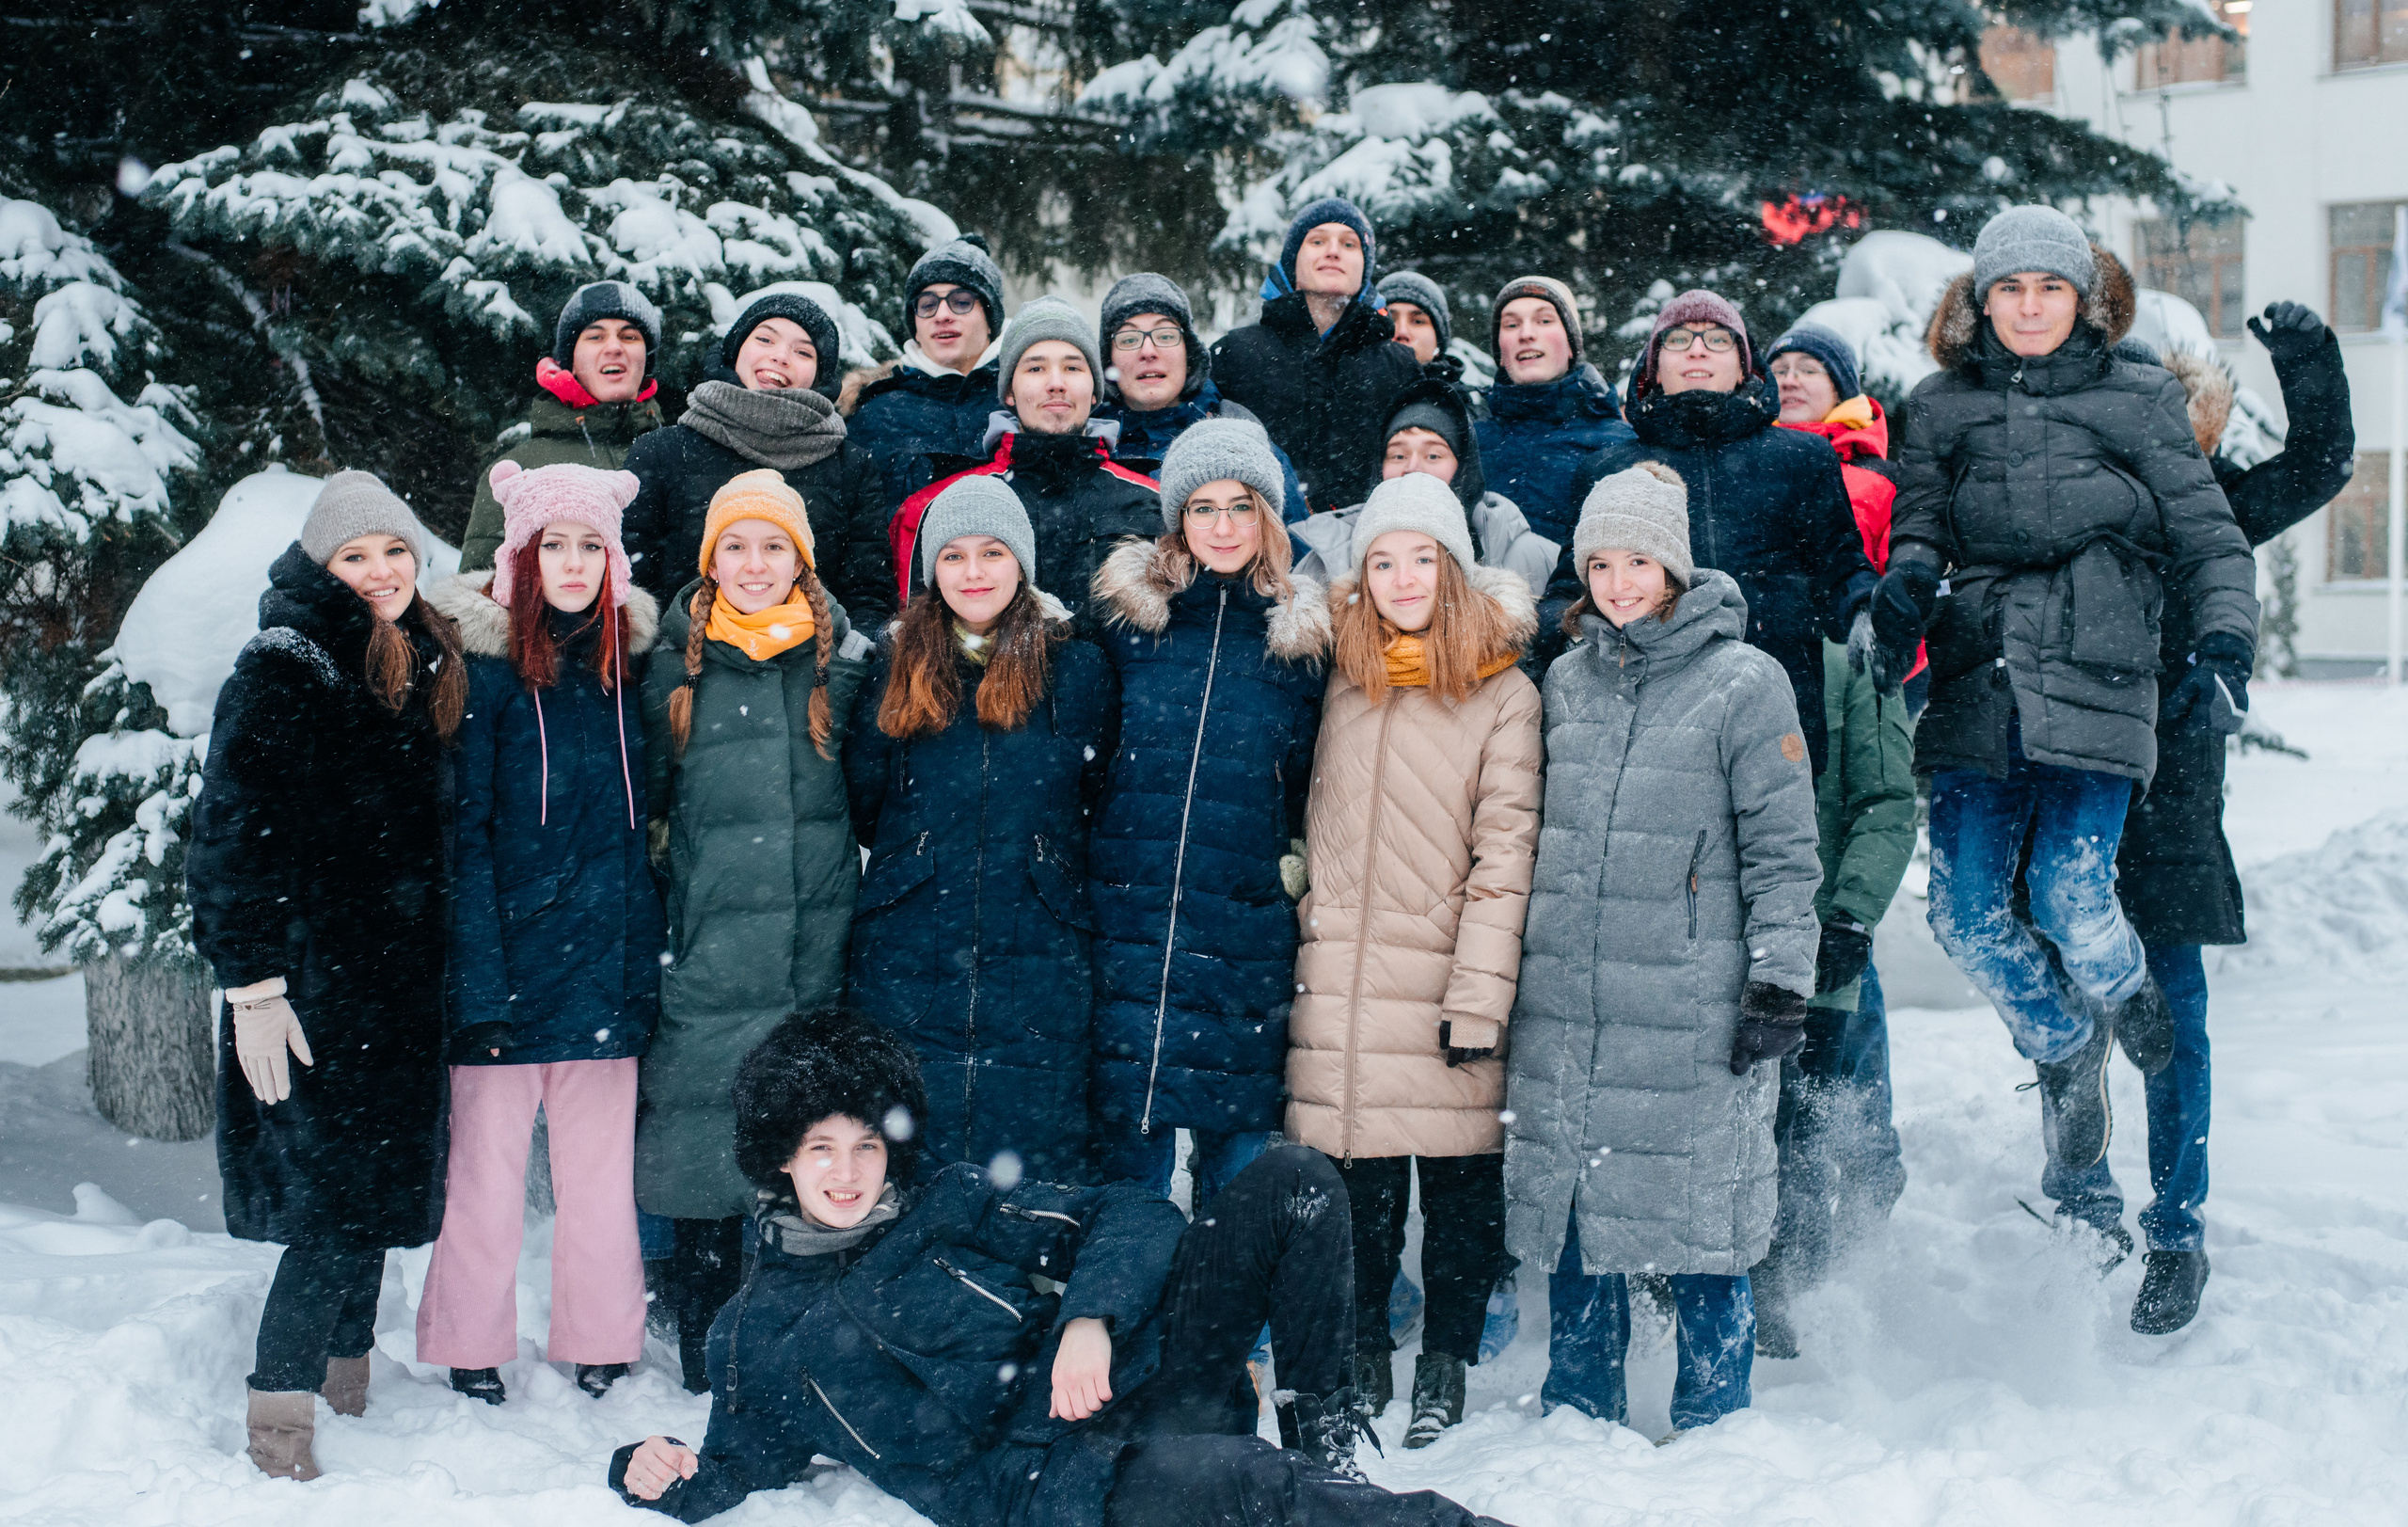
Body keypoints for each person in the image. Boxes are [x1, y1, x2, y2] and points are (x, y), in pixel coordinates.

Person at [610, 1007, 1517, 1527]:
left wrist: (1091, 1316)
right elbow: (731, 1465)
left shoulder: (948, 1199)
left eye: (863, 1145)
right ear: (780, 1158)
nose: (846, 1173)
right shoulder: (757, 1332)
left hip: (1145, 1375)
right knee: (1251, 1483)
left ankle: (1329, 1451)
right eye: (819, 1149)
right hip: (1055, 1488)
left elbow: (1128, 1211)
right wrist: (644, 1466)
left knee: (1297, 1178)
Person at [1862, 205, 2260, 1265]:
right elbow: (1920, 522)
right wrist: (1905, 582)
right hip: (1978, 680)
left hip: (2097, 672)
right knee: (1960, 916)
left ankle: (2126, 999)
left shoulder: (2137, 398)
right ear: (1980, 302)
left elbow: (2210, 534)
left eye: (2050, 288)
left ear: (2084, 300)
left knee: (2073, 895)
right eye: (2010, 289)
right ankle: (2064, 1047)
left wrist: (2223, 644)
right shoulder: (1940, 405)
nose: (2030, 307)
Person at [1504, 462, 1822, 1440]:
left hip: (1694, 1006)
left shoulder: (1743, 683)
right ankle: (1577, 1414)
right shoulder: (1565, 680)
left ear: (1674, 567)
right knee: (1578, 1209)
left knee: (1703, 1215)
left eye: (1637, 560)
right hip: (1572, 1001)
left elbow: (1783, 849)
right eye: (1600, 563)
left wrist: (1778, 980)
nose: (1617, 582)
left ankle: (1716, 1419)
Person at [186, 470, 467, 1479]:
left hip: (398, 984)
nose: (380, 570)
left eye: (394, 550)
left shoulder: (422, 650)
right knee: (331, 1210)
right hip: (313, 987)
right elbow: (228, 840)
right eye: (355, 556)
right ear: (321, 565)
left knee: (374, 1195)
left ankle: (346, 1380)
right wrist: (254, 985)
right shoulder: (283, 665)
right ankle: (279, 1420)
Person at [2106, 304, 2354, 1333]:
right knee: (2065, 1028)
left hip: (2168, 799)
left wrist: (2303, 359)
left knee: (2176, 1023)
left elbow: (2324, 462)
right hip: (2056, 778)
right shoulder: (2045, 503)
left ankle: (2175, 1230)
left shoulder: (2213, 503)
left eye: (2162, 400)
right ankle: (2076, 1186)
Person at [1288, 471, 1541, 1445]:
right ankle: (1360, 1352)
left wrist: (1479, 992)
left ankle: (1446, 1360)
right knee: (1361, 1193)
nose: (1400, 579)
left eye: (1420, 560)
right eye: (1382, 561)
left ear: (1454, 571)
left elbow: (1505, 853)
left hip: (1442, 976)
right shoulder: (1341, 680)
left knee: (1461, 1191)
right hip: (1345, 979)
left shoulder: (1502, 692)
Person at [420, 462, 663, 1404]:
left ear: (614, 558)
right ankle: (468, 1342)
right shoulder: (480, 672)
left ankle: (601, 1338)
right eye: (552, 544)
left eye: (589, 545)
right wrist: (476, 984)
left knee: (600, 1184)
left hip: (604, 968)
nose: (572, 562)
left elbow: (637, 836)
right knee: (483, 1178)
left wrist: (639, 967)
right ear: (517, 555)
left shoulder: (624, 668)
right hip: (508, 973)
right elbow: (465, 836)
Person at [638, 469, 877, 1391]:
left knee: (801, 1151)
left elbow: (869, 792)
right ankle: (702, 1340)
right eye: (733, 546)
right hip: (706, 950)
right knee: (701, 1145)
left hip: (812, 949)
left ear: (801, 561)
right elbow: (645, 801)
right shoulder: (675, 662)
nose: (753, 563)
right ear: (708, 563)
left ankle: (785, 1348)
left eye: (773, 546)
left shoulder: (843, 663)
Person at [848, 476, 1117, 1185]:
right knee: (910, 1154)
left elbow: (1096, 794)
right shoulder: (894, 664)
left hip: (1039, 947)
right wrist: (921, 861)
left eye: (992, 553)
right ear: (931, 569)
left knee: (1032, 1151)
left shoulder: (1077, 667)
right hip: (911, 948)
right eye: (955, 555)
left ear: (1021, 563)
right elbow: (866, 799)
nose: (973, 572)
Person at [1086, 420, 1330, 1201]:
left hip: (1241, 930)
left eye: (1242, 506)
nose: (1222, 527)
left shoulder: (1301, 643)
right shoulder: (1131, 626)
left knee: (1239, 1171)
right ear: (1176, 519)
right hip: (1130, 917)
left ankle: (1229, 1323)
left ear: (1269, 516)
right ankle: (1134, 1317)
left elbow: (1310, 780)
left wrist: (1287, 870)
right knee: (1129, 1165)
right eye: (1202, 507)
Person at [1739, 331, 1922, 1350]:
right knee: (1772, 1088)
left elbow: (1886, 802)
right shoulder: (1757, 472)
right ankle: (1765, 1274)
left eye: (1816, 368)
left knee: (1834, 1070)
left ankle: (1830, 1258)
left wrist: (1849, 909)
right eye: (1786, 367)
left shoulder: (1865, 475)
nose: (1796, 379)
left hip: (1857, 691)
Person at [1558, 290, 1875, 771]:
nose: (1698, 349)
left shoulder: (1802, 459)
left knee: (1777, 846)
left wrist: (1872, 612)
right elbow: (1569, 590)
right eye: (1679, 338)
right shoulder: (1608, 468)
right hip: (1643, 720)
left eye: (1718, 339)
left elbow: (1842, 572)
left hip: (1776, 710)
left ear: (1745, 366)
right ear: (1653, 367)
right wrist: (1558, 634)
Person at [619, 291, 893, 624]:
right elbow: (630, 579)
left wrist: (847, 660)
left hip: (812, 668)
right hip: (682, 665)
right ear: (735, 351)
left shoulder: (852, 467)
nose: (780, 356)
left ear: (820, 377)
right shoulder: (662, 452)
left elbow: (868, 592)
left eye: (803, 352)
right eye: (765, 339)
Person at [888, 296, 1162, 625]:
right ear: (1009, 392)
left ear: (1094, 391)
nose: (1056, 384)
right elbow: (914, 641)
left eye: (1073, 367)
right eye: (1035, 368)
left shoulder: (1152, 503)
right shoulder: (938, 504)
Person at [1211, 197, 1422, 515]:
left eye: (1349, 244)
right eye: (1317, 241)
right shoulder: (1236, 353)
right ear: (1293, 262)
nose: (1333, 251)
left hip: (1371, 549)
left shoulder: (1401, 366)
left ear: (1364, 269)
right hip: (1262, 548)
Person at [1765, 320, 1926, 714]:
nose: (1790, 380)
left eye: (1807, 369)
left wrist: (1898, 677)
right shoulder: (1742, 467)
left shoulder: (1883, 480)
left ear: (1841, 386)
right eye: (1779, 370)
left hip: (1859, 676)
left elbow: (1910, 585)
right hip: (1765, 670)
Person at [1291, 378, 1560, 599]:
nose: (1412, 467)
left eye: (1433, 456)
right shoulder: (1328, 556)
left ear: (1463, 469)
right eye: (1398, 455)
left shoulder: (1529, 556)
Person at [461, 281, 665, 571]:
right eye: (595, 336)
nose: (615, 347)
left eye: (630, 337)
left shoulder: (679, 457)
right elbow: (477, 596)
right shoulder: (519, 469)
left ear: (647, 358)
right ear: (570, 359)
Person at [1093, 272, 1308, 521]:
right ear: (1108, 358)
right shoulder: (1083, 443)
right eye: (1129, 339)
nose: (1148, 351)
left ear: (1189, 353)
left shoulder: (1242, 436)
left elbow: (1296, 551)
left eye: (1165, 336)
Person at [843, 233, 1008, 515]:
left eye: (962, 300)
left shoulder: (1025, 401)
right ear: (916, 326)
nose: (942, 315)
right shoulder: (874, 415)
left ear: (990, 319)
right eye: (928, 305)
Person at [1472, 277, 1633, 559]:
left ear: (1572, 346)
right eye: (1511, 325)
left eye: (1544, 321)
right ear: (1499, 353)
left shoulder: (1620, 445)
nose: (1526, 334)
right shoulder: (1468, 443)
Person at [1377, 271, 1465, 386]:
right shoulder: (1347, 393)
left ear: (1438, 341)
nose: (1402, 332)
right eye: (1389, 320)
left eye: (1418, 321)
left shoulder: (1462, 402)